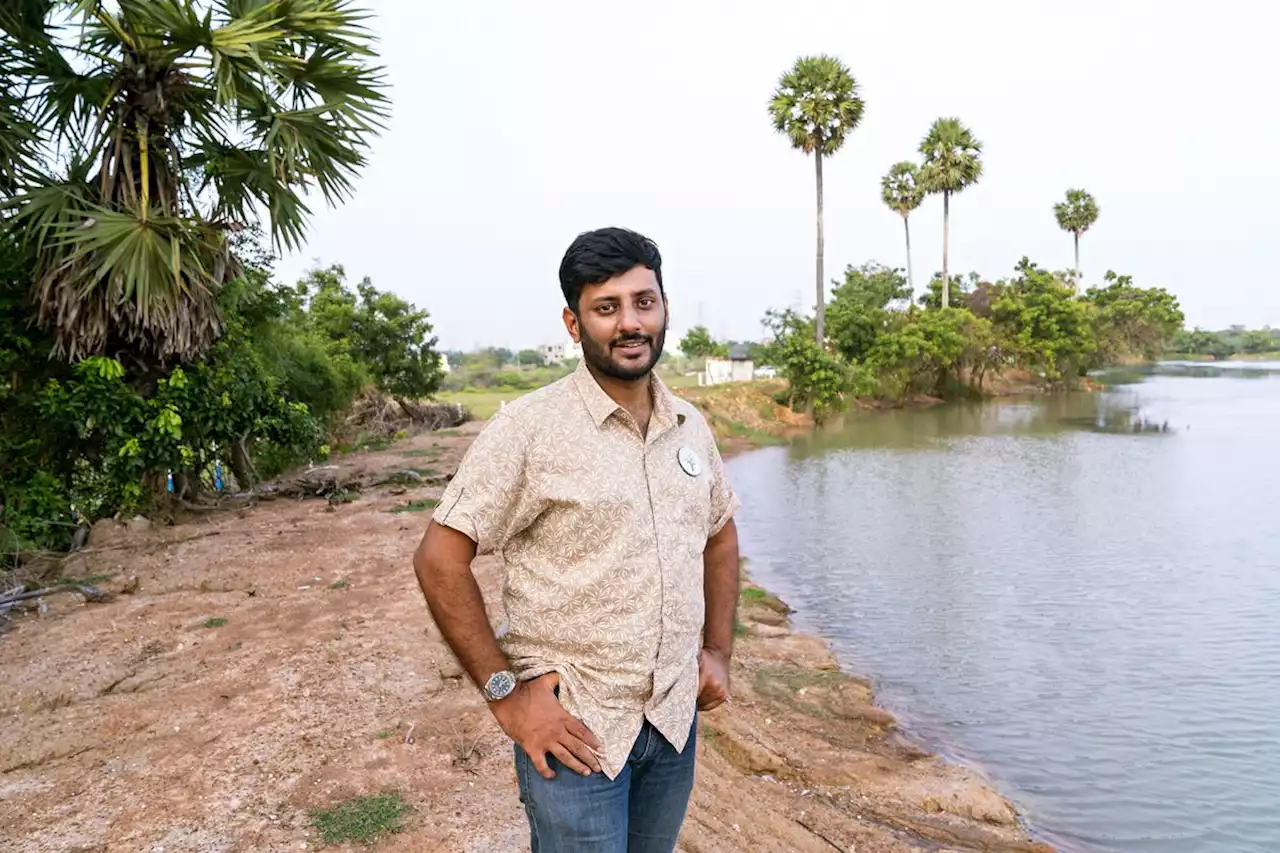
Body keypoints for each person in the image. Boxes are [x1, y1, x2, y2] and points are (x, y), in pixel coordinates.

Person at [412, 226, 741, 852]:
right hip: (576, 729)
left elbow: (719, 533)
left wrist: (717, 652)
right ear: (574, 322)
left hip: (673, 722)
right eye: (607, 307)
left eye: (644, 301)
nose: (630, 322)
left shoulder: (688, 425)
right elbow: (439, 561)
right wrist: (507, 698)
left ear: (665, 306)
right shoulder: (529, 429)